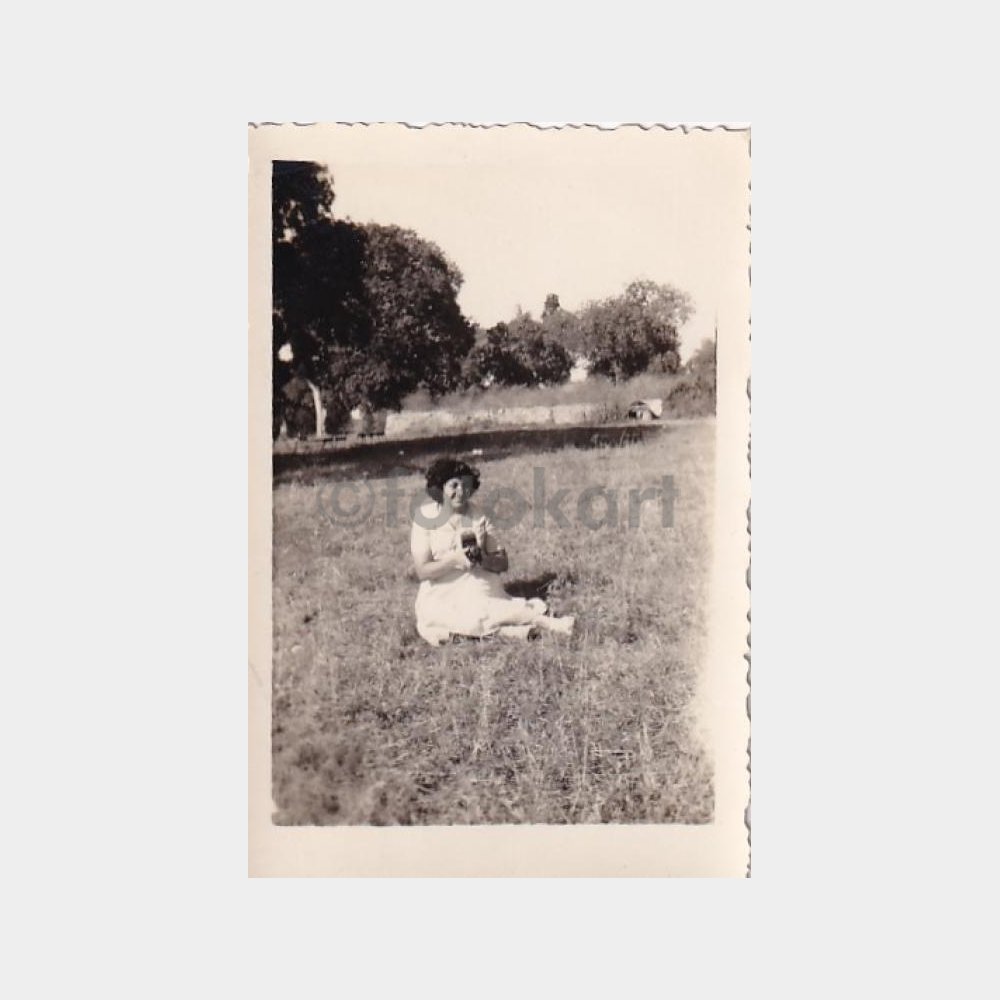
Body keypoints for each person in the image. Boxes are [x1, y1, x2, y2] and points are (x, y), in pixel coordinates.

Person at [410, 458, 575, 646]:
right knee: (439, 621)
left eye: (466, 485)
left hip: (476, 582)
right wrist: (455, 559)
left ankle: (539, 623)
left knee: (477, 610)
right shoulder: (425, 517)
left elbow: (502, 563)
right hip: (440, 589)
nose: (461, 492)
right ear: (440, 488)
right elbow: (423, 571)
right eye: (453, 486)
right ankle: (515, 630)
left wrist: (481, 557)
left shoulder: (480, 516)